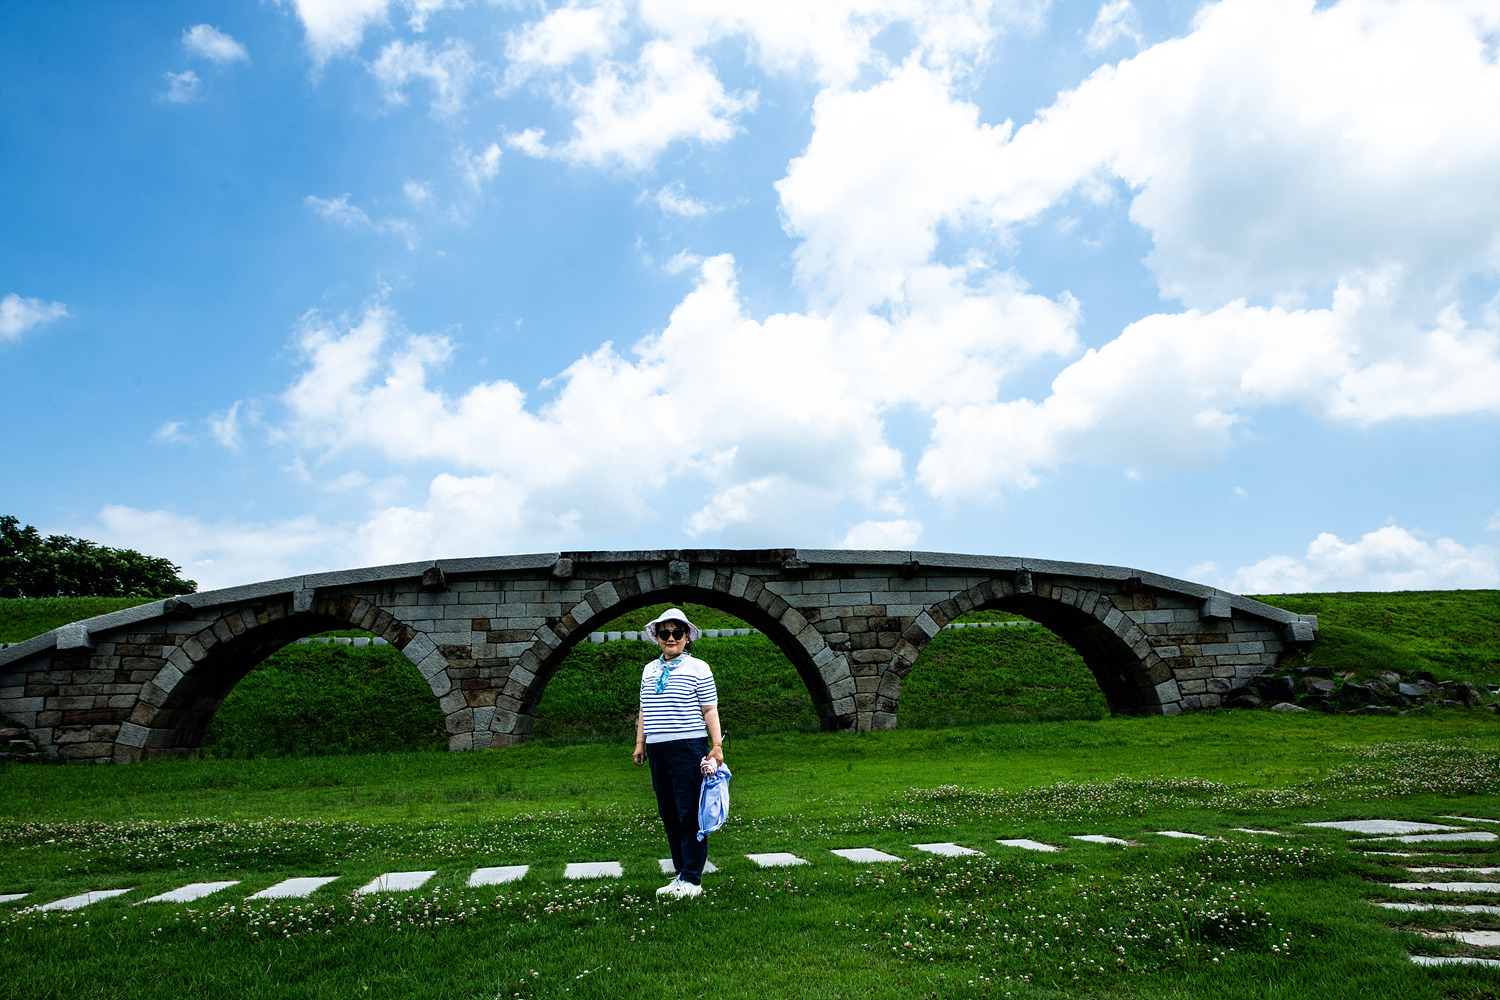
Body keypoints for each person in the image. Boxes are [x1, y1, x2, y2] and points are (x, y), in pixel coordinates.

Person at [633, 607, 724, 900]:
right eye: (664, 633)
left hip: (688, 747)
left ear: (687, 637)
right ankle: (681, 874)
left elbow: (709, 709)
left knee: (689, 814)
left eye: (677, 633)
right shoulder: (649, 670)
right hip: (658, 749)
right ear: (657, 638)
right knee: (669, 815)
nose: (670, 638)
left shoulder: (699, 668)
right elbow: (644, 709)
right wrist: (640, 744)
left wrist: (717, 746)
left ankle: (693, 880)